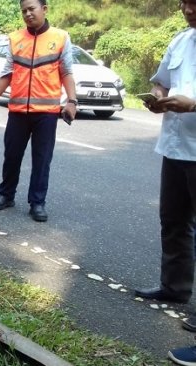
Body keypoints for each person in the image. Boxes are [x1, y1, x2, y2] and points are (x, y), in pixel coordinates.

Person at [129, 1, 196, 363]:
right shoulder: (182, 39)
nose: (188, 8)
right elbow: (160, 80)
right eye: (184, 2)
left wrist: (193, 104)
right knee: (173, 221)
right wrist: (157, 98)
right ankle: (175, 288)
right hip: (175, 146)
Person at [0, 0, 77, 222]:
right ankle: (6, 195)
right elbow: (7, 73)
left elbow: (66, 72)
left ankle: (37, 202)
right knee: (12, 156)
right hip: (17, 111)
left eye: (31, 9)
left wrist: (72, 101)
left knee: (42, 159)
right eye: (23, 11)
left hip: (46, 113)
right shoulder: (16, 38)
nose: (27, 14)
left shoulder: (60, 37)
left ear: (44, 9)